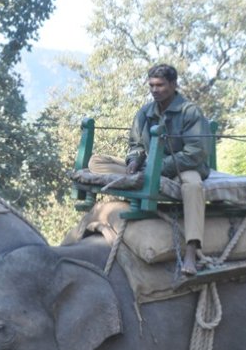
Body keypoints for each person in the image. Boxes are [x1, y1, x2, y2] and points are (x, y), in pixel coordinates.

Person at [89, 64, 210, 276]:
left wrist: (159, 168)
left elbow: (195, 151)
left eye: (160, 85)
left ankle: (192, 250)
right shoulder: (145, 112)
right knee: (96, 162)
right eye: (152, 85)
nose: (155, 90)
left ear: (173, 85)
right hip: (148, 166)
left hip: (183, 166)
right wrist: (134, 161)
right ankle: (138, 179)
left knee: (193, 187)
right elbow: (135, 144)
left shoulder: (189, 111)